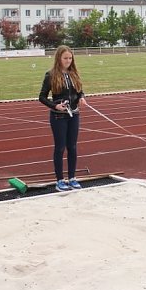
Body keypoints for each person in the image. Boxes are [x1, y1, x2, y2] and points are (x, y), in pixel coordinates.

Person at [39, 46, 87, 191]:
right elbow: (41, 97)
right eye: (65, 58)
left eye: (70, 58)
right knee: (60, 148)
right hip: (59, 116)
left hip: (74, 114)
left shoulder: (74, 74)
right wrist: (55, 106)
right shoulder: (51, 75)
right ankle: (60, 180)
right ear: (59, 58)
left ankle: (72, 178)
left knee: (72, 147)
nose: (68, 61)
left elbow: (80, 91)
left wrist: (82, 98)